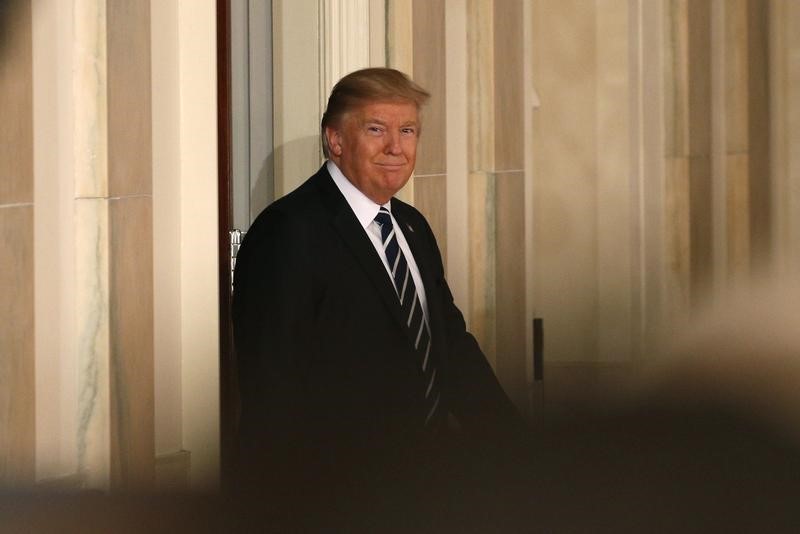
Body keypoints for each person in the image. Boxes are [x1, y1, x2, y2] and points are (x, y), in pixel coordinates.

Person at [231, 68, 522, 498]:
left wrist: (515, 445)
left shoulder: (411, 225)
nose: (396, 147)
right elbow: (273, 385)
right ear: (335, 139)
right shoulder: (289, 230)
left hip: (423, 483)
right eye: (376, 129)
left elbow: (450, 344)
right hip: (335, 492)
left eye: (407, 131)